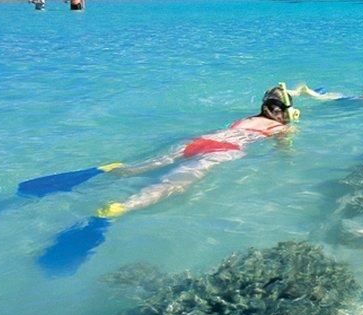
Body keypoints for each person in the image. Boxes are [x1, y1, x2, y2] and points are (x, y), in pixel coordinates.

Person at [96, 84, 301, 218]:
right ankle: (124, 206)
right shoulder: (280, 127)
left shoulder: (245, 119)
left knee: (145, 165)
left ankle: (111, 169)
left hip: (200, 140)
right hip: (224, 150)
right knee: (175, 184)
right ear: (284, 113)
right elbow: (282, 151)